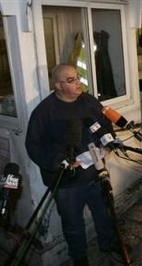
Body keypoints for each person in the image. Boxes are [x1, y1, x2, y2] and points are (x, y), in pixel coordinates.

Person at [25, 64, 124, 266]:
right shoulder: (44, 111)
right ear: (58, 85)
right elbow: (33, 145)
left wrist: (109, 142)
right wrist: (58, 161)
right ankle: (79, 258)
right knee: (73, 225)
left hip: (97, 173)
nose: (79, 82)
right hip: (67, 183)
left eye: (78, 77)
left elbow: (105, 125)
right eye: (71, 80)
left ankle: (108, 243)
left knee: (104, 214)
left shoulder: (89, 101)